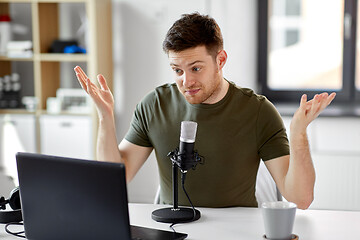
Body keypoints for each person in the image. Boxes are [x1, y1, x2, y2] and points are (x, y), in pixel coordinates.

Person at [74, 12, 336, 209]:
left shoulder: (258, 111)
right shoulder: (155, 104)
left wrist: (299, 132)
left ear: (220, 60)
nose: (186, 82)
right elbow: (114, 180)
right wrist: (105, 117)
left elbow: (300, 199)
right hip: (172, 230)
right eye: (177, 70)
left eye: (196, 68)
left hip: (236, 232)